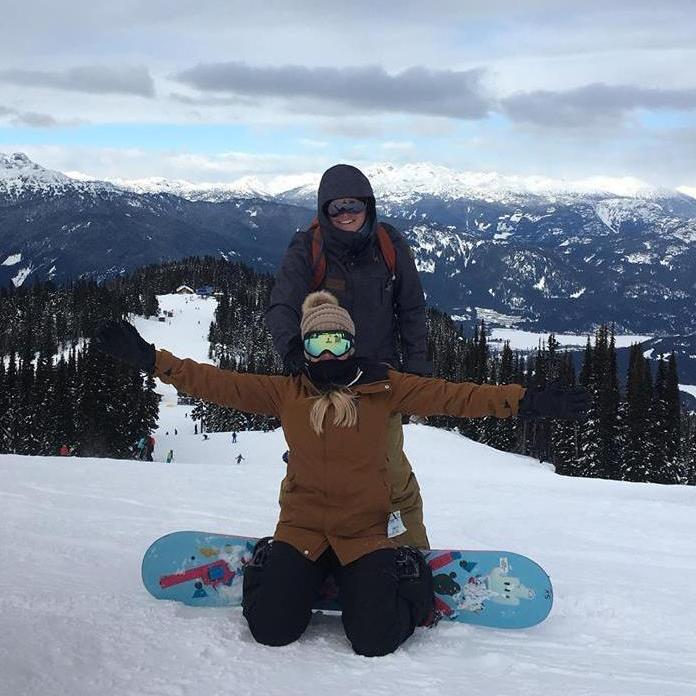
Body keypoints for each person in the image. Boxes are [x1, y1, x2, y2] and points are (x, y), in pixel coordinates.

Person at [93, 293, 588, 657]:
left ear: (350, 342)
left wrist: (524, 400)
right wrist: (152, 360)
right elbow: (217, 383)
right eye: (317, 341)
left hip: (367, 532)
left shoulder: (385, 388)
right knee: (270, 630)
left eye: (336, 340)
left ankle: (403, 573)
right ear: (305, 346)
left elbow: (455, 395)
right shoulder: (286, 391)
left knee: (374, 641)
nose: (327, 352)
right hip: (303, 528)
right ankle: (275, 564)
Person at [266, 164, 432, 549]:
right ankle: (299, 547)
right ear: (324, 212)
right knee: (308, 472)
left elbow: (411, 309)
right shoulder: (307, 248)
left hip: (377, 382)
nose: (345, 215)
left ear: (368, 206)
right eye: (335, 208)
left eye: (352, 205)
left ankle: (411, 553)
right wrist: (294, 353)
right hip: (322, 380)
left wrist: (419, 368)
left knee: (389, 474)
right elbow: (281, 305)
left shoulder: (389, 245)